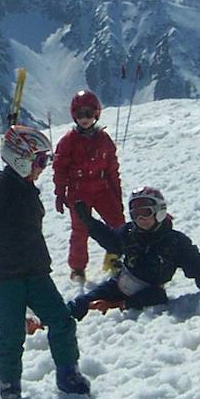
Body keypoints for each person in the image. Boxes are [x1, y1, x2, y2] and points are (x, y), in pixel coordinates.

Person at [0, 125, 91, 399]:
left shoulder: (27, 187)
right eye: (40, 160)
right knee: (10, 334)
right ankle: (8, 382)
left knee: (62, 320)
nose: (43, 167)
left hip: (35, 271)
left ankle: (68, 372)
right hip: (3, 278)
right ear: (21, 159)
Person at [67, 187, 200, 320]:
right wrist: (90, 223)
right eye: (136, 214)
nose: (141, 219)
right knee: (83, 302)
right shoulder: (129, 232)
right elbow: (112, 241)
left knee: (156, 296)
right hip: (121, 283)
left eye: (146, 212)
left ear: (159, 211)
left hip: (150, 292)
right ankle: (56, 318)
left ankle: (118, 305)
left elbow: (198, 268)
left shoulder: (175, 242)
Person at [52, 90, 125, 282]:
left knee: (117, 222)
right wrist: (60, 193)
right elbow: (59, 169)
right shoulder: (68, 141)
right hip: (79, 191)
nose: (84, 119)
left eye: (88, 113)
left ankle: (114, 257)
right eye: (79, 114)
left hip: (102, 187)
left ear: (96, 113)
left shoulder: (104, 139)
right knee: (81, 229)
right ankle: (77, 267)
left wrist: (116, 194)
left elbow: (112, 169)